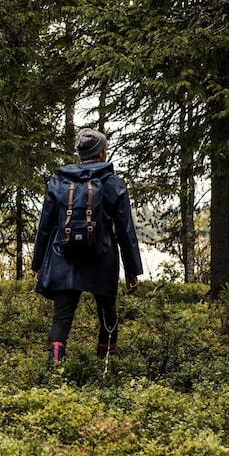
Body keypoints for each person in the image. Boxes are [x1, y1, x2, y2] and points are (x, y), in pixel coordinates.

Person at [32, 128, 143, 365]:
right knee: (107, 313)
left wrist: (38, 263)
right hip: (102, 258)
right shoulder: (113, 183)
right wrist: (132, 270)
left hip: (64, 257)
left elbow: (45, 226)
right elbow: (125, 231)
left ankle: (54, 369)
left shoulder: (58, 181)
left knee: (61, 318)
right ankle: (106, 368)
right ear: (102, 151)